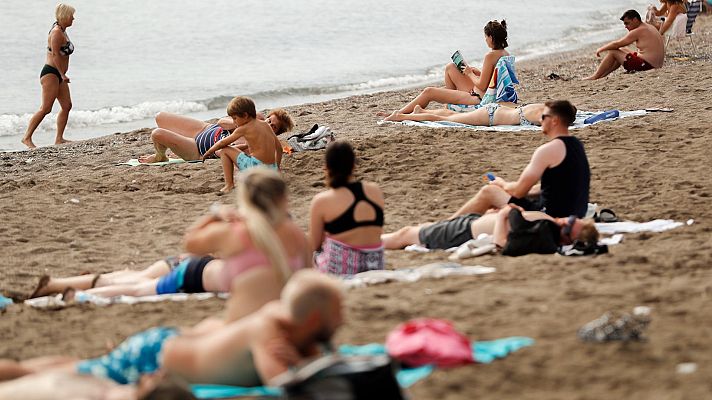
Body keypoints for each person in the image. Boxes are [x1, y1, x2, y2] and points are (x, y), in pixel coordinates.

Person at [31, 168, 310, 317]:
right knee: (137, 288)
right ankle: (72, 295)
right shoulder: (295, 234)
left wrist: (215, 215)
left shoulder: (237, 230)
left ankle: (60, 287)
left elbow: (191, 242)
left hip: (198, 269)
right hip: (195, 273)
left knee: (136, 282)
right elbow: (307, 273)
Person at [13, 270, 343, 388]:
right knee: (71, 372)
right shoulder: (269, 331)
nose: (342, 322)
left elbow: (325, 361)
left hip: (173, 342)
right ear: (314, 318)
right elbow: (285, 385)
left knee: (73, 366)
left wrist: (308, 362)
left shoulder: (294, 326)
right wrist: (300, 368)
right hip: (154, 359)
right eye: (336, 314)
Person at [451, 100, 590, 219]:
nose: (540, 120)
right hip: (575, 213)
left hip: (551, 215)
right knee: (493, 209)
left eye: (543, 116)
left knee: (490, 192)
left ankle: (444, 227)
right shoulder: (577, 145)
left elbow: (518, 192)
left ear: (554, 120)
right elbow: (557, 185)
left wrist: (502, 184)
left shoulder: (547, 150)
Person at [379, 20, 516, 116]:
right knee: (451, 67)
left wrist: (469, 73)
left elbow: (482, 84)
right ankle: (449, 101)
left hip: (478, 98)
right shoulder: (505, 54)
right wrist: (477, 72)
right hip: (483, 93)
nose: (485, 40)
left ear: (491, 37)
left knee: (428, 91)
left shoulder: (490, 56)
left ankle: (398, 113)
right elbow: (495, 80)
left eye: (486, 37)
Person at [382, 205, 599, 252]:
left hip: (464, 232)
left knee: (406, 234)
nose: (564, 220)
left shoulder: (545, 236)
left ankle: (354, 242)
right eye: (571, 217)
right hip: (470, 223)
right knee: (418, 228)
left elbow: (502, 244)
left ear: (569, 238)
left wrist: (502, 215)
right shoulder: (548, 229)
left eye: (569, 224)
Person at [309, 141, 385, 275]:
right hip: (375, 263)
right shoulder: (375, 191)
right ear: (353, 165)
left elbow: (314, 245)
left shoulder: (322, 201)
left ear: (326, 167)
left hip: (342, 267)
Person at [138, 106, 293, 165]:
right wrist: (241, 122)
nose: (268, 124)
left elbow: (221, 152)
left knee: (157, 134)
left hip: (197, 148)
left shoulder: (257, 144)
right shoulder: (253, 119)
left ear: (275, 132)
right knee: (160, 117)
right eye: (269, 120)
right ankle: (171, 146)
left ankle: (160, 156)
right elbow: (221, 122)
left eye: (273, 126)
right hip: (205, 128)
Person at [22, 4, 76, 149]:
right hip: (51, 73)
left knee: (67, 106)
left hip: (59, 74)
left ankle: (59, 138)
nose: (73, 18)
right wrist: (62, 74)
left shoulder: (63, 30)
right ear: (64, 16)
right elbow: (55, 54)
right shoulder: (56, 32)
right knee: (46, 108)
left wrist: (62, 75)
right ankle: (26, 138)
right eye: (71, 15)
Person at [201, 97, 283, 192]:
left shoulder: (243, 129)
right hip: (271, 170)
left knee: (225, 150)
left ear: (245, 115)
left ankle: (229, 185)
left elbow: (223, 142)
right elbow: (279, 148)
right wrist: (277, 168)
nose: (234, 121)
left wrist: (209, 152)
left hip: (256, 168)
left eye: (235, 118)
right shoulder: (265, 125)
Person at [583, 10, 664, 80]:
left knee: (613, 52)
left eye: (627, 23)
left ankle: (595, 76)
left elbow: (616, 44)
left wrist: (600, 49)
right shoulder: (648, 26)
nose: (625, 27)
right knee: (623, 50)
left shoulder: (638, 30)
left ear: (635, 20)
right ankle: (602, 76)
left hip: (646, 66)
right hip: (655, 64)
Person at [383, 103, 544, 126]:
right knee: (444, 119)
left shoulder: (541, 107)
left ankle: (422, 111)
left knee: (451, 114)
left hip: (494, 109)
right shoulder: (542, 116)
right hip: (489, 116)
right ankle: (401, 116)